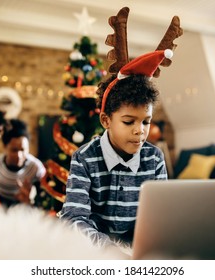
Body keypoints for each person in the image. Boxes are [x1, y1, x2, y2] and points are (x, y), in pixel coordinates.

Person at [59, 50, 173, 247]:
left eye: (146, 122)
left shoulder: (154, 159)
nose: (140, 131)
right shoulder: (84, 158)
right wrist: (110, 251)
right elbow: (72, 220)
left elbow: (161, 217)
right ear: (106, 120)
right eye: (129, 122)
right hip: (95, 250)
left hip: (139, 247)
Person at [0, 119, 46, 208]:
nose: (19, 155)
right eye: (14, 150)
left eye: (23, 150)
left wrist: (28, 201)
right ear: (5, 147)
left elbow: (43, 201)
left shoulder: (36, 167)